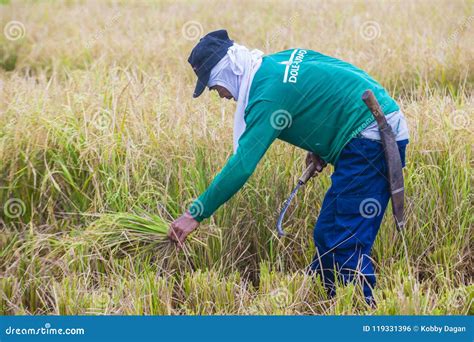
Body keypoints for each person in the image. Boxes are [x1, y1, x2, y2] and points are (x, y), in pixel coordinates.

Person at [168, 29, 409, 303]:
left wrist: (195, 213)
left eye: (214, 87)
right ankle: (325, 302)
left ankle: (362, 311)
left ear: (226, 71)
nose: (220, 95)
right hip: (367, 128)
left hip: (372, 139)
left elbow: (242, 165)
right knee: (327, 234)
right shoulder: (275, 63)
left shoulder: (267, 97)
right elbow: (325, 80)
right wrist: (320, 144)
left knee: (345, 242)